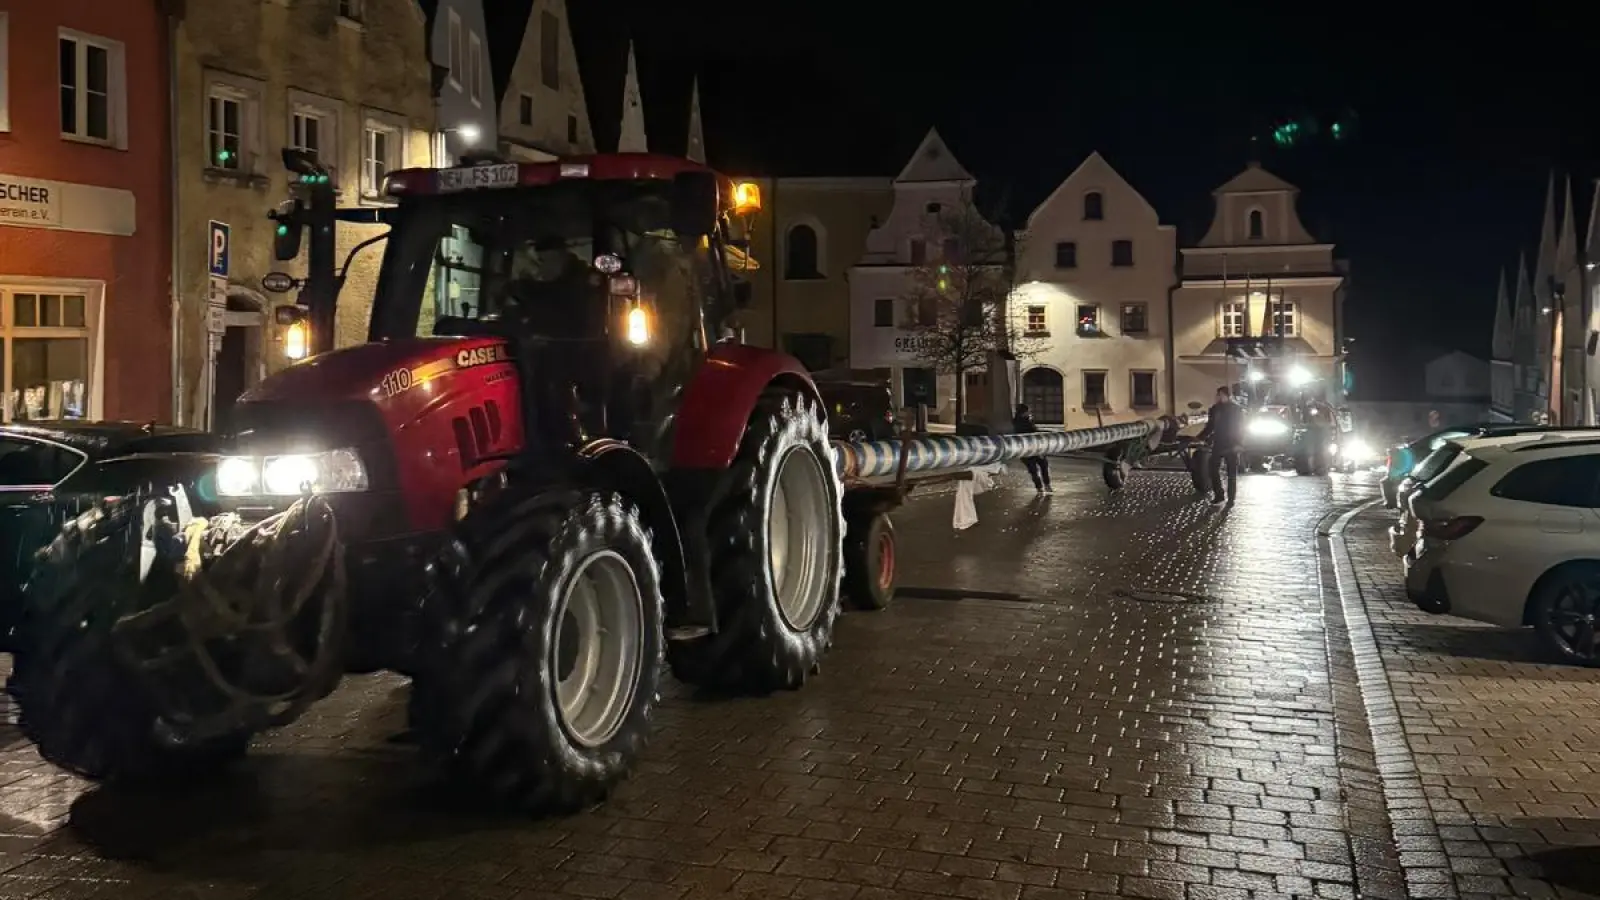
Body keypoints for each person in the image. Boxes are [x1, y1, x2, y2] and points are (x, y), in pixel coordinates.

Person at [1197, 385, 1244, 506]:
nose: (1217, 397)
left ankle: (1231, 498)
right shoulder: (1215, 409)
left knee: (1231, 473)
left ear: (1225, 395)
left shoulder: (1236, 409)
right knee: (1213, 469)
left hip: (1232, 444)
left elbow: (1240, 428)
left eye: (1219, 395)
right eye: (1217, 395)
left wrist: (1239, 443)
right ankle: (1219, 495)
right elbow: (1210, 426)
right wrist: (1199, 437)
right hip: (1219, 443)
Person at [1013, 402, 1052, 493]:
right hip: (1032, 449)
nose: (1029, 412)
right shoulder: (1023, 423)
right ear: (1024, 412)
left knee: (1036, 469)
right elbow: (1033, 433)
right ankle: (1044, 486)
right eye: (1028, 411)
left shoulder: (1020, 421)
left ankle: (1041, 488)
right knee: (1040, 467)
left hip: (1026, 450)